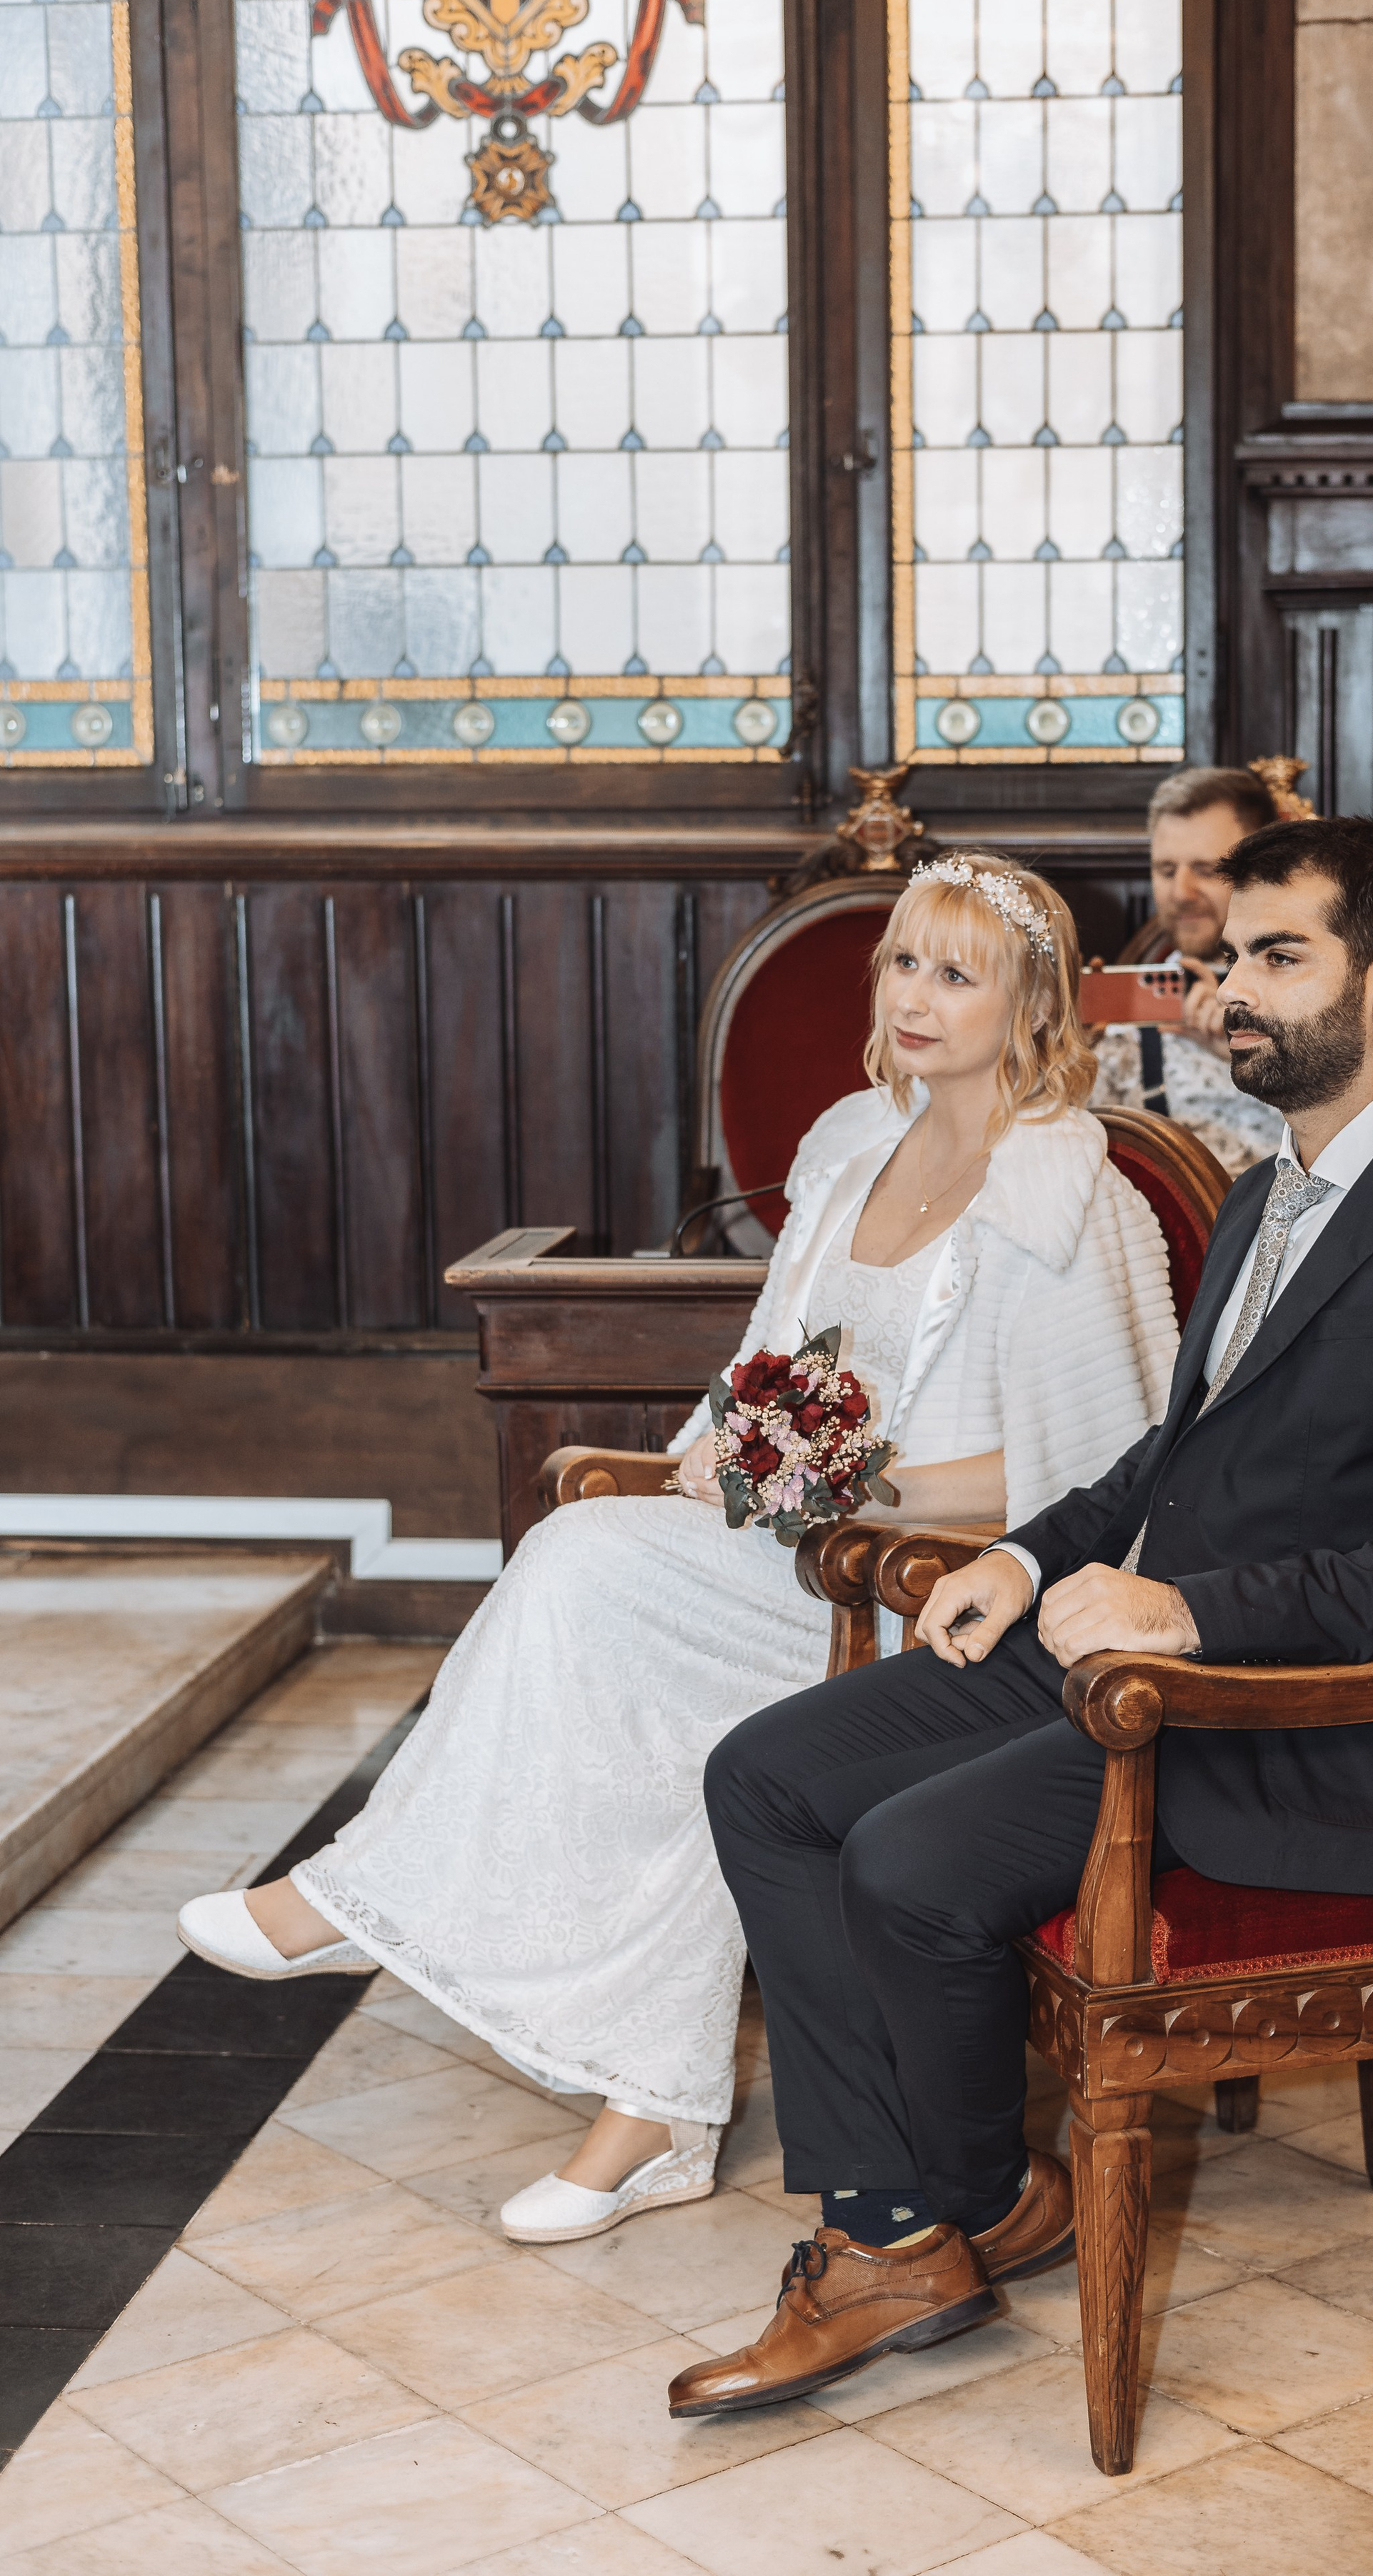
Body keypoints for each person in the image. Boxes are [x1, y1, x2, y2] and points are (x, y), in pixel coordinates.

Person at [674, 815, 1373, 2417]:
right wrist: (1025, 1561)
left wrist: (1181, 1608)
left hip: (1305, 1718)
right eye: (1224, 957)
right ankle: (933, 2211)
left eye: (1274, 957)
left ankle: (909, 2218)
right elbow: (1178, 1450)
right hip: (1127, 1653)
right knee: (765, 1776)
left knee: (906, 1861)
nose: (1229, 990)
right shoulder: (1266, 1194)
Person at [176, 854, 1179, 2247]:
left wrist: (857, 1477)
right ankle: (613, 2083)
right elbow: (770, 1360)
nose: (913, 996)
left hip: (942, 1599)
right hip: (809, 1553)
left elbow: (1095, 1474)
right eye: (899, 962)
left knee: (613, 1607)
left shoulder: (1078, 1199)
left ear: (1030, 1008)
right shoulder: (847, 1149)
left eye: (956, 973)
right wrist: (733, 1443)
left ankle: (458, 1969)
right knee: (587, 1560)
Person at [1092, 765, 1285, 1172]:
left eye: (1206, 870)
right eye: (1166, 870)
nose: (1181, 893)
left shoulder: (1319, 1003)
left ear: (1265, 870)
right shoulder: (1124, 1013)